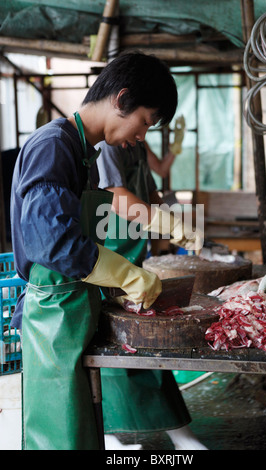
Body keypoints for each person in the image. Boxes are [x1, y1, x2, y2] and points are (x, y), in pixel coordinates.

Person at [10, 51, 179, 450]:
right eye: (143, 123)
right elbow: (54, 242)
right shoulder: (53, 147)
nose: (141, 137)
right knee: (59, 434)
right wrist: (127, 274)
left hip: (74, 306)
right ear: (121, 100)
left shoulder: (83, 151)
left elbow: (88, 213)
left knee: (83, 431)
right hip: (53, 316)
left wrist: (157, 220)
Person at [96, 138, 206, 450]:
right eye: (145, 120)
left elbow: (150, 193)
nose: (145, 130)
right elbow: (118, 200)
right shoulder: (109, 146)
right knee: (114, 347)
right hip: (107, 258)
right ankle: (108, 437)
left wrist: (176, 220)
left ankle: (180, 434)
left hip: (133, 257)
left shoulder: (135, 144)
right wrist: (164, 222)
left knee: (144, 343)